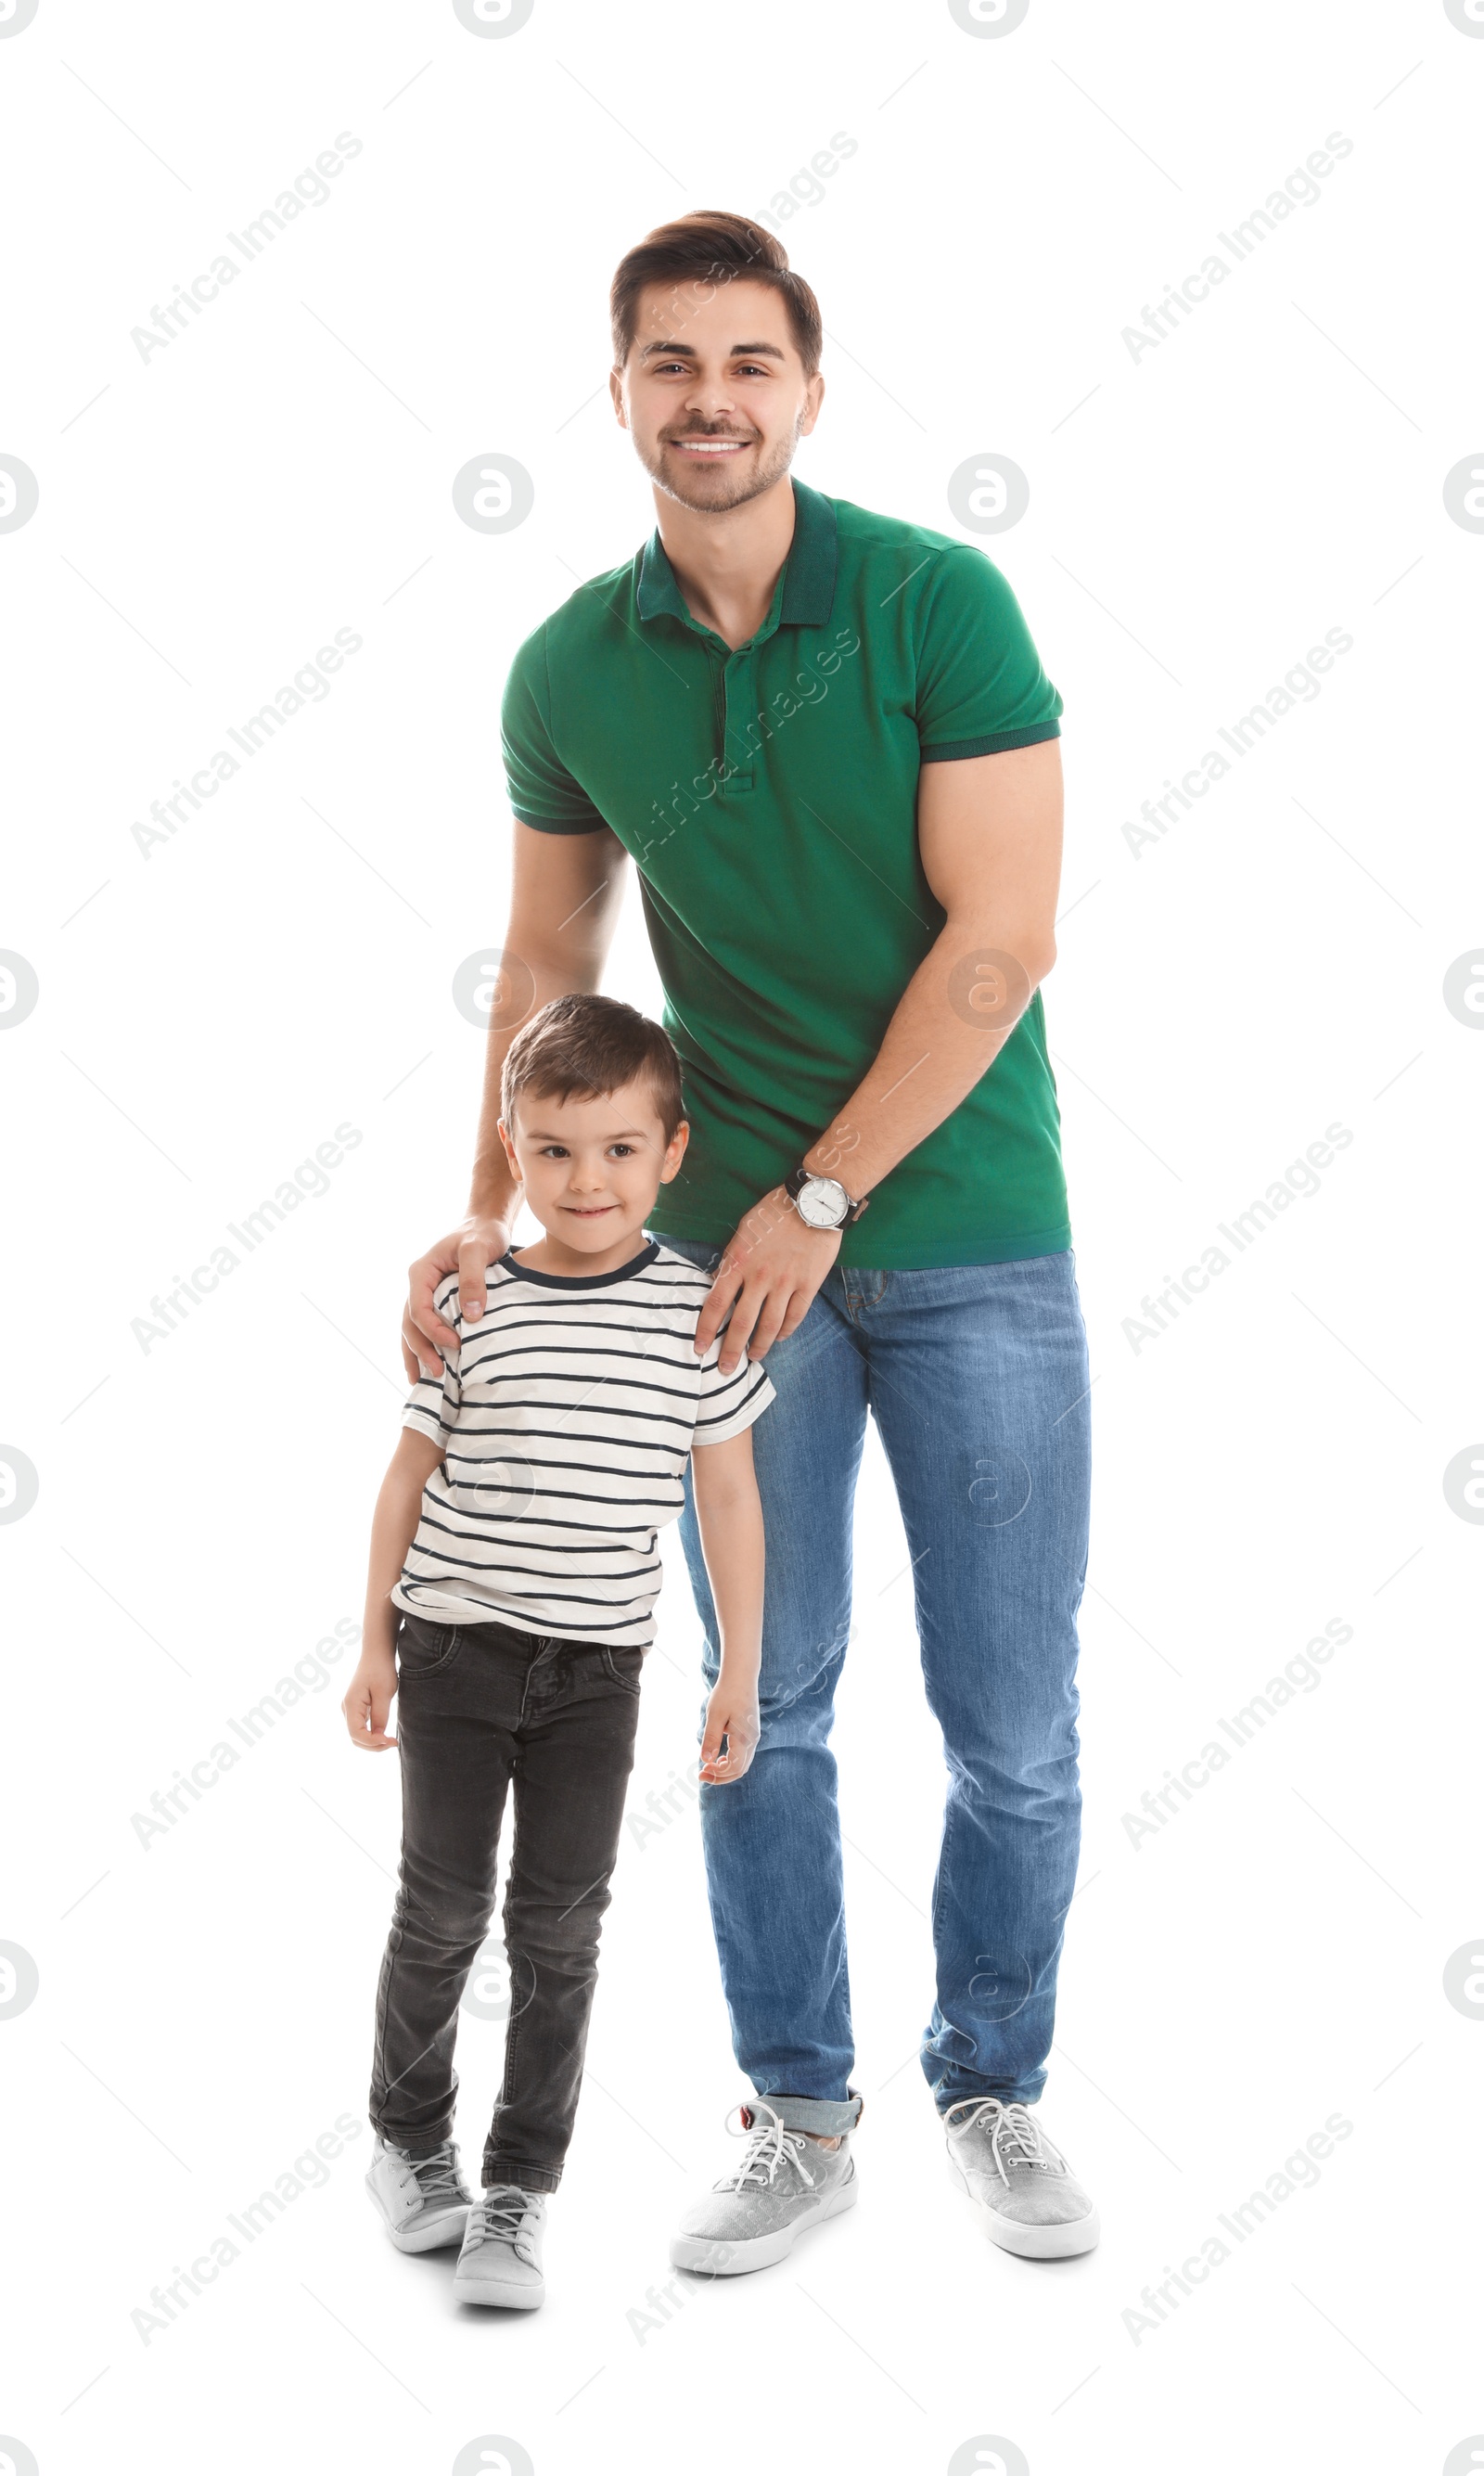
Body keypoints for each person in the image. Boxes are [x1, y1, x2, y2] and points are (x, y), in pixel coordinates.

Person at [403, 209, 1100, 2270]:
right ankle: (799, 2109)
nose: (709, 401)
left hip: (967, 1233)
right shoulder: (567, 665)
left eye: (747, 365)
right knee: (757, 1700)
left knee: (1011, 1719)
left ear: (805, 388)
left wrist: (818, 1197)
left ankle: (993, 2080)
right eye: (668, 365)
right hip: (711, 1274)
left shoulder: (930, 604)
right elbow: (549, 949)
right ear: (617, 391)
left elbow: (1000, 947)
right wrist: (479, 1205)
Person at [343, 994, 773, 2308]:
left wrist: (739, 1669)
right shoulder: (474, 1301)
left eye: (620, 1149)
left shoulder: (698, 1312)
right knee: (444, 1907)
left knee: (560, 1924)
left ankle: (519, 2187)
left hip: (598, 1671)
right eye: (554, 1150)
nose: (587, 1181)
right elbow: (409, 1469)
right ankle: (410, 2145)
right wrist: (373, 1640)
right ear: (513, 1146)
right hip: (456, 1649)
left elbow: (729, 1498)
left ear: (672, 1151)